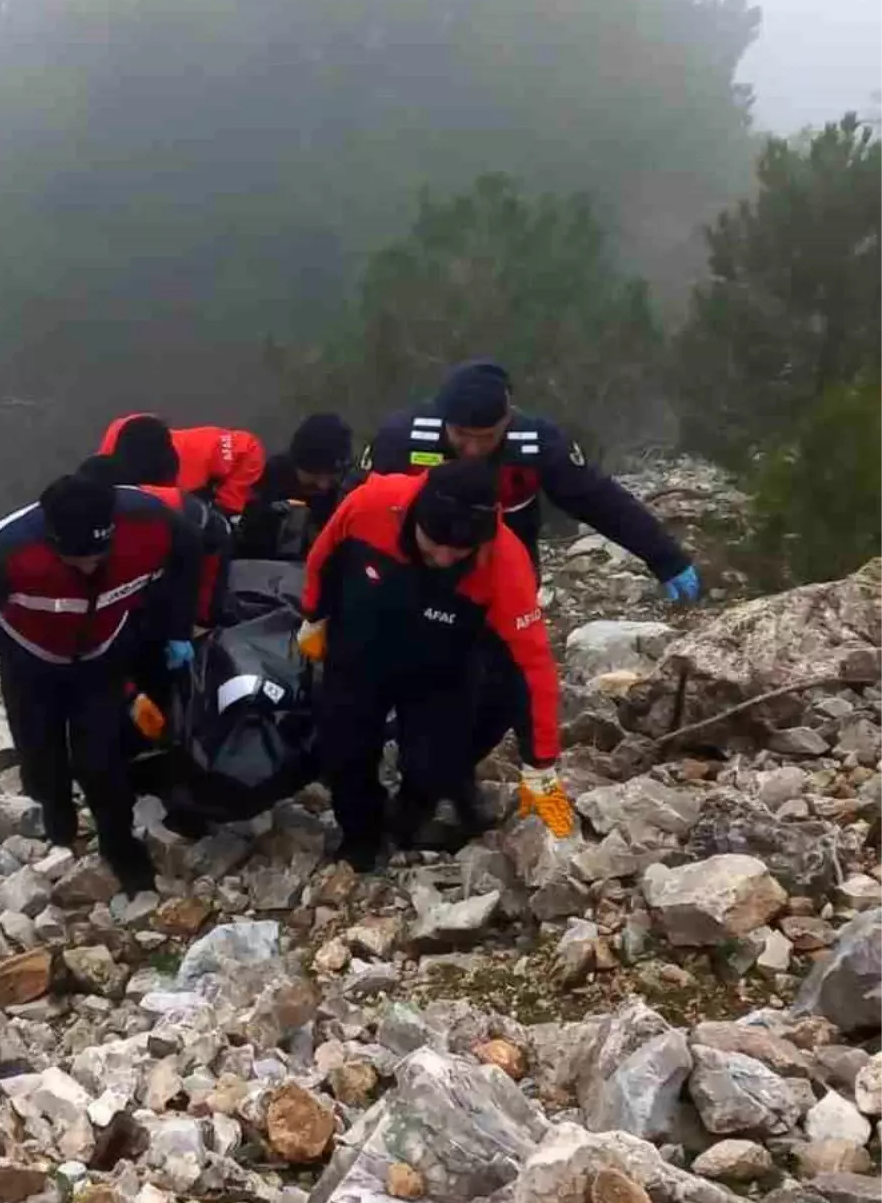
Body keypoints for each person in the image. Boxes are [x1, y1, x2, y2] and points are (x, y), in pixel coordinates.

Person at [0, 458, 200, 894]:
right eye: (77, 560)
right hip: (29, 663)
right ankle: (60, 837)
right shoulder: (12, 550)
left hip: (102, 656)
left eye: (99, 556)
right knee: (41, 764)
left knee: (103, 765)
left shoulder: (148, 522)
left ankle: (121, 852)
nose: (90, 568)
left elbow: (189, 555)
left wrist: (177, 629)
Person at [297, 460, 572, 871]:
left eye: (458, 550)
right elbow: (324, 553)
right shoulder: (372, 504)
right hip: (359, 652)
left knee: (433, 765)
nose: (443, 557)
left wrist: (541, 762)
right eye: (433, 543)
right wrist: (313, 612)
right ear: (415, 516)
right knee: (346, 753)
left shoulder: (504, 562)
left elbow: (532, 664)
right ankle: (360, 841)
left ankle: (408, 820)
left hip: (440, 669)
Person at [364, 358, 701, 599]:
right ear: (443, 417)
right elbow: (353, 508)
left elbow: (598, 500)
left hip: (506, 572)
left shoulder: (537, 445)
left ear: (508, 418)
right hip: (414, 565)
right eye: (461, 435)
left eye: (487, 436)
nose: (472, 449)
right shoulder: (402, 438)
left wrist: (666, 558)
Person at [105, 411, 232, 626]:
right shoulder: (195, 512)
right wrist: (203, 621)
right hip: (170, 617)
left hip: (109, 618)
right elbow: (214, 563)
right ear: (170, 462)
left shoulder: (96, 498)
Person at [236, 412, 354, 562]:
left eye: (332, 476)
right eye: (314, 474)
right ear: (296, 465)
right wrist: (266, 519)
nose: (323, 486)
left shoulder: (344, 495)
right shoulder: (262, 478)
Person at [98, 413, 266, 518]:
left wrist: (228, 504)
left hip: (197, 496)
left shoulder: (197, 453)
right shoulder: (107, 465)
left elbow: (249, 447)